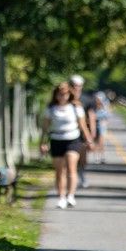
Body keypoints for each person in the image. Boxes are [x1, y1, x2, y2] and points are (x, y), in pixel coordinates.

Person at [40, 81, 90, 209]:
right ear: (56, 95)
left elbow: (83, 125)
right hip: (56, 139)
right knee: (59, 171)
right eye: (59, 94)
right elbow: (45, 128)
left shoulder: (76, 107)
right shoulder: (50, 108)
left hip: (72, 139)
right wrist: (43, 142)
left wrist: (88, 140)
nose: (62, 97)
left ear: (69, 94)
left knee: (71, 167)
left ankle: (71, 195)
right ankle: (61, 197)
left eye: (65, 94)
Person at [69, 74, 95, 188]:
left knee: (83, 157)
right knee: (70, 157)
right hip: (69, 132)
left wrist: (92, 133)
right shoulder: (65, 98)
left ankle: (82, 174)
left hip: (83, 133)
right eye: (74, 85)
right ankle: (71, 177)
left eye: (79, 85)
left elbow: (91, 116)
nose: (76, 87)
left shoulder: (87, 99)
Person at [93, 91, 110, 164]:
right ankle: (96, 157)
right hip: (94, 126)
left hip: (102, 126)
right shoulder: (93, 107)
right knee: (96, 142)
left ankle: (102, 157)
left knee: (101, 142)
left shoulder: (104, 107)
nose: (98, 100)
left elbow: (107, 117)